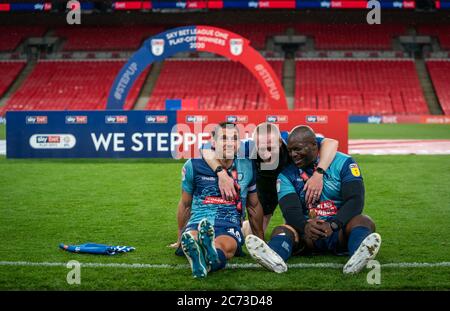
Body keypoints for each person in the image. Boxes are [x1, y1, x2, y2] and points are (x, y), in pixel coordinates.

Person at [245, 125, 381, 274]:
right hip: (308, 235)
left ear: (314, 145)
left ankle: (358, 255)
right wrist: (305, 227)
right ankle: (274, 257)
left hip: (339, 229)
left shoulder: (344, 162)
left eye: (298, 149)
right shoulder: (285, 174)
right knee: (282, 230)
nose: (293, 155)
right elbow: (290, 210)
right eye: (290, 151)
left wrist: (334, 224)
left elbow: (355, 200)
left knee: (363, 221)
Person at [201, 122, 338, 234]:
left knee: (298, 226)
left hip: (292, 181)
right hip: (265, 185)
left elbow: (332, 143)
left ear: (279, 142)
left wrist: (318, 173)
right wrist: (221, 173)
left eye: (269, 147)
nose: (265, 153)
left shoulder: (290, 142)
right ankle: (230, 229)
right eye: (261, 148)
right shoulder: (248, 147)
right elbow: (205, 148)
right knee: (256, 230)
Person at [176, 122, 264, 278]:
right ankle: (207, 255)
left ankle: (204, 254)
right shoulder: (193, 165)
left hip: (229, 222)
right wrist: (179, 237)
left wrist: (261, 241)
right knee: (192, 237)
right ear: (213, 142)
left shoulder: (247, 166)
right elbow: (185, 204)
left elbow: (254, 206)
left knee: (223, 244)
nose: (229, 143)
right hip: (198, 221)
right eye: (224, 138)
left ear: (239, 143)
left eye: (234, 139)